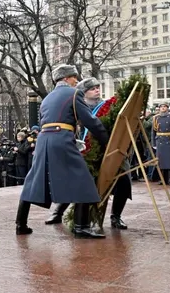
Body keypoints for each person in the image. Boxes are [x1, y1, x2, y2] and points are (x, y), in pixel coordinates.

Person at [15, 64, 109, 239]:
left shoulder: (47, 98)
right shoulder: (75, 94)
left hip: (44, 140)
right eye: (74, 77)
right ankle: (81, 227)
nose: (77, 81)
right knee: (83, 179)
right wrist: (106, 139)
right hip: (62, 139)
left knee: (33, 180)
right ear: (66, 78)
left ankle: (21, 224)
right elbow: (89, 120)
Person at [152, 102, 170, 186]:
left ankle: (168, 179)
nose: (163, 108)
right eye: (161, 107)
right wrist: (153, 143)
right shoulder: (155, 118)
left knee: (169, 162)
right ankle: (162, 179)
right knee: (160, 162)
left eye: (164, 106)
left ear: (167, 108)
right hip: (160, 141)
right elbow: (153, 132)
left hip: (169, 141)